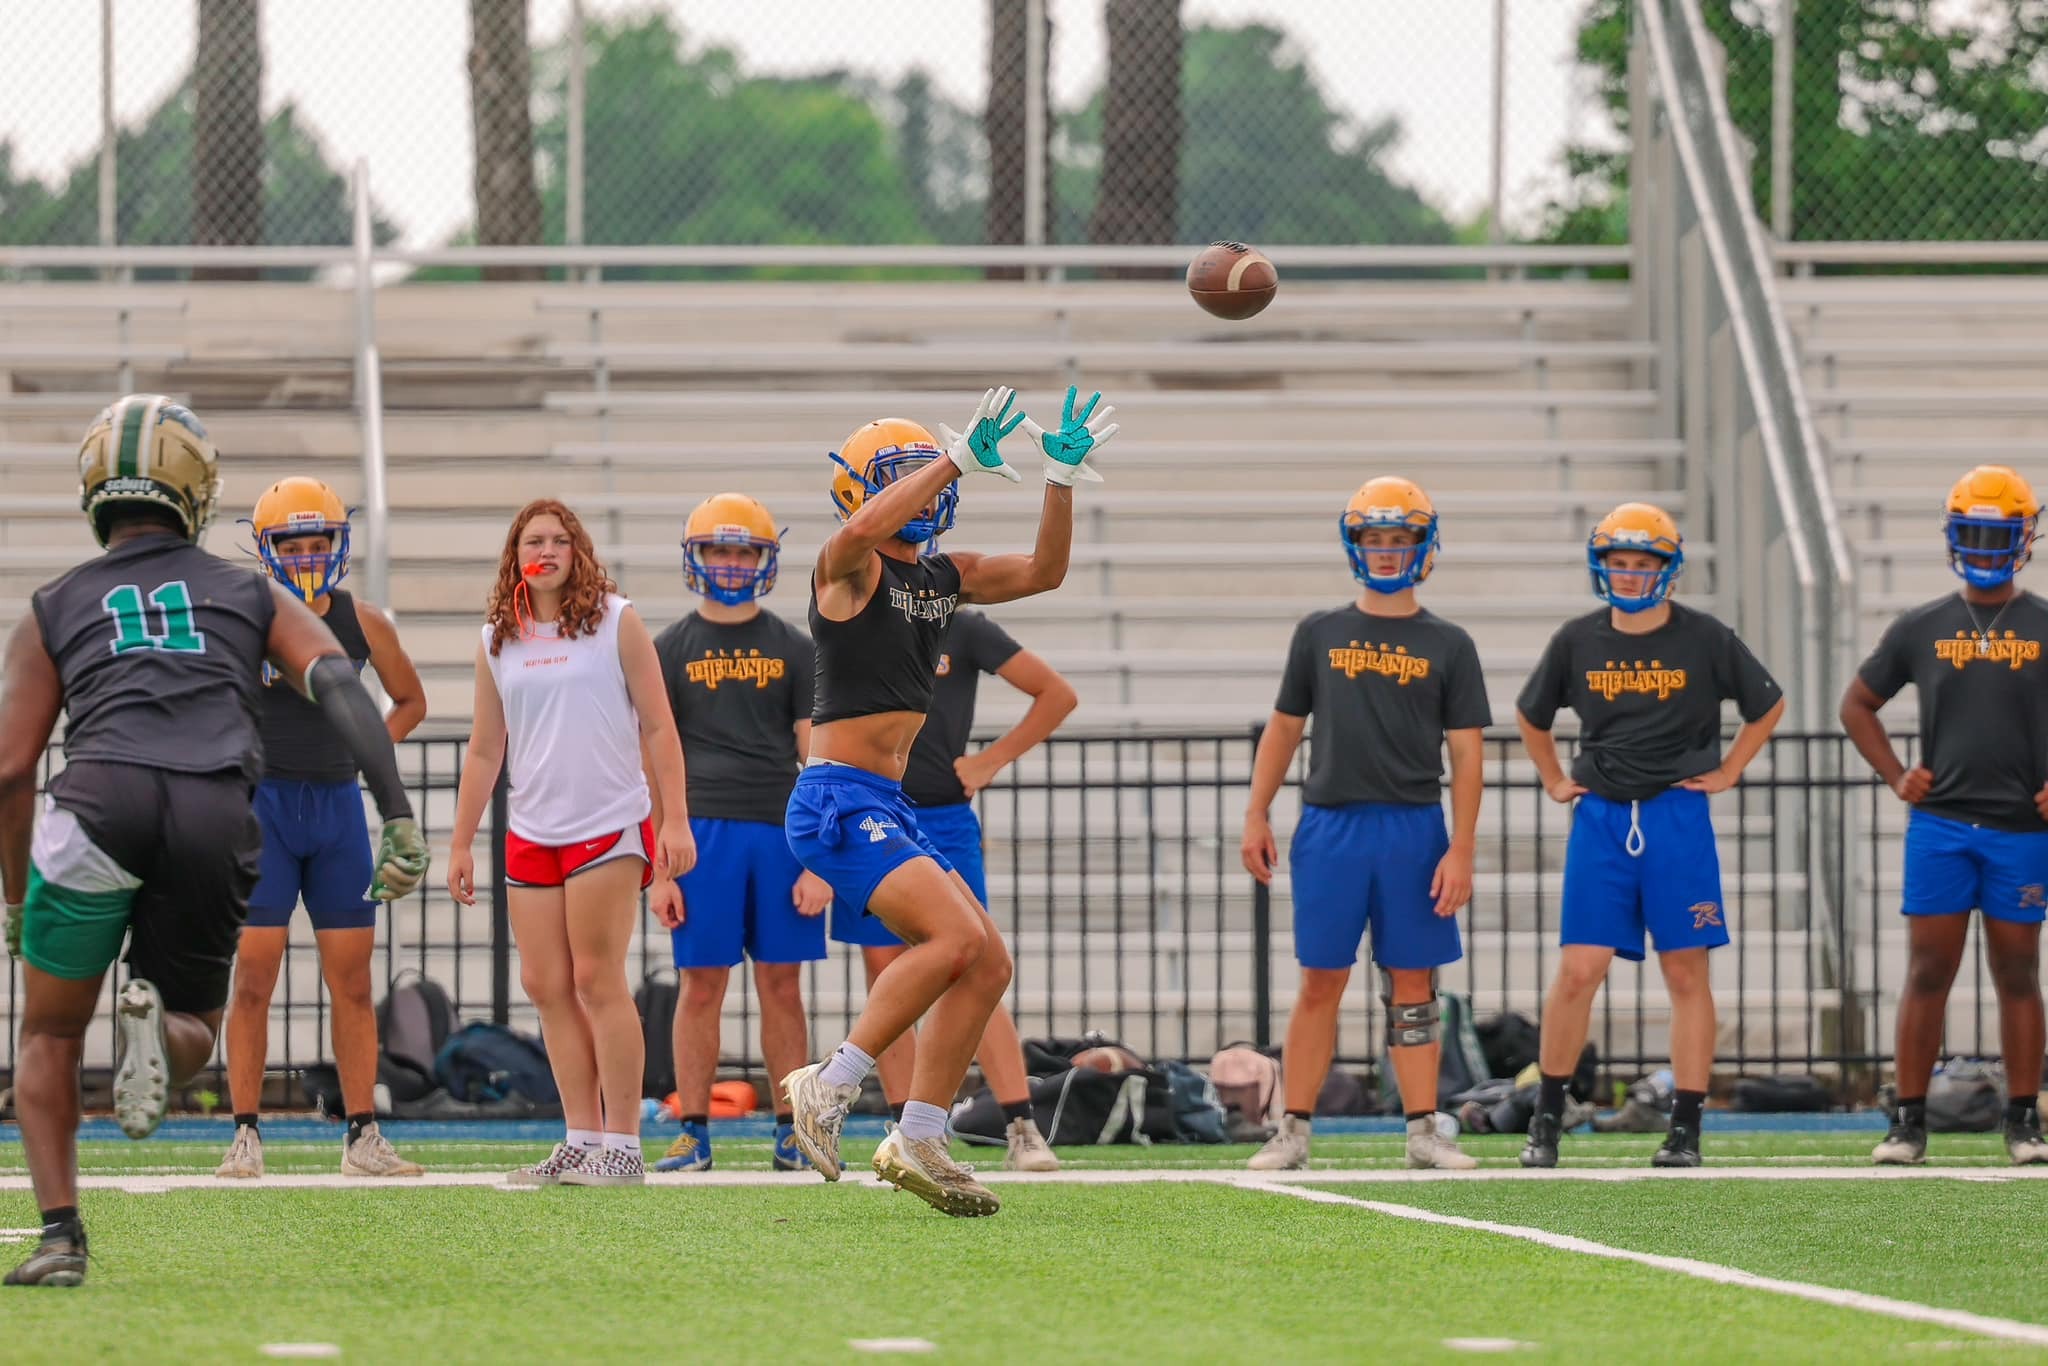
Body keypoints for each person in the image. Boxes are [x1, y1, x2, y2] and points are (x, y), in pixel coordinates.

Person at [0, 396, 427, 1286]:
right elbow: (342, 683)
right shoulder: (247, 589)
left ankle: (61, 1238)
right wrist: (394, 810)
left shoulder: (54, 604)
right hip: (215, 804)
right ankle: (158, 1031)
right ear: (196, 489)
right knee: (195, 1013)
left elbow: (9, 768)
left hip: (97, 801)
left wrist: (13, 893)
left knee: (47, 1031)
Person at [781, 384, 1116, 1216]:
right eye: (905, 474)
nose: (933, 485)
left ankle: (920, 1133)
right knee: (956, 935)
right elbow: (858, 531)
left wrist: (1059, 478)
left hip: (889, 805)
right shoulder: (846, 571)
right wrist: (952, 457)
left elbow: (1045, 571)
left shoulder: (945, 576)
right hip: (834, 798)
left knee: (989, 959)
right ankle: (832, 1082)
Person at [1514, 502, 1784, 1170]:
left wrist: (1728, 770)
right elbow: (1531, 714)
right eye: (1619, 563)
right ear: (1600, 565)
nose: (1630, 575)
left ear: (1668, 568)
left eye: (1643, 564)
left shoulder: (1705, 637)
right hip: (1603, 817)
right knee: (1580, 969)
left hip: (1675, 814)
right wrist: (1553, 779)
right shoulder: (1578, 639)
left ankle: (1685, 1126)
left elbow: (1768, 702)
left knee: (1686, 971)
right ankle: (1546, 1119)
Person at [1239, 477, 1489, 1173]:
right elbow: (1285, 729)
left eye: (1400, 540)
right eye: (1373, 540)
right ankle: (1292, 1131)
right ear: (1355, 547)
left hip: (1414, 828)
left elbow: (1467, 755)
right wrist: (1256, 812)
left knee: (1415, 984)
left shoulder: (1450, 642)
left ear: (1424, 547)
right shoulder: (1320, 631)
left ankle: (1422, 1133)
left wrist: (1462, 848)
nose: (1386, 553)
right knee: (1321, 979)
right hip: (1331, 827)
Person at [446, 499, 695, 1188]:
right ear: (516, 555)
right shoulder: (498, 638)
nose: (547, 550)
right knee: (546, 985)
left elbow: (658, 727)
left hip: (607, 823)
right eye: (534, 541)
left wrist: (674, 819)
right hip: (532, 828)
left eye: (559, 539)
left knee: (596, 979)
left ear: (578, 550)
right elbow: (484, 749)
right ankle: (580, 1138)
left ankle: (623, 1145)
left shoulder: (618, 620)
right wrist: (461, 842)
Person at [217, 477, 429, 1180]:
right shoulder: (243, 623)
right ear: (266, 549)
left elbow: (409, 700)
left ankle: (362, 1131)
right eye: (292, 543)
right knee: (253, 976)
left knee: (354, 983)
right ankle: (244, 1130)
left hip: (336, 808)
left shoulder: (365, 622)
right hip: (265, 810)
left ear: (338, 545)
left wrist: (367, 752)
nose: (307, 555)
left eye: (318, 542)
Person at [1840, 466, 2048, 1166]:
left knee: (2018, 971)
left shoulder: (2044, 623)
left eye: (1999, 533)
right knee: (1929, 969)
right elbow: (1857, 704)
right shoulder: (1923, 624)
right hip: (1943, 827)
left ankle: (2023, 1121)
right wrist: (1898, 775)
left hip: (2022, 830)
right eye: (1975, 533)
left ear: (2023, 538)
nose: (1986, 546)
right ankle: (1908, 1121)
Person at [829, 604, 1077, 1172]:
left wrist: (992, 760)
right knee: (885, 968)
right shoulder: (853, 618)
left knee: (975, 963)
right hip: (871, 812)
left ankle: (1021, 1125)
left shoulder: (962, 626)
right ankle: (906, 1129)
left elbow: (1056, 693)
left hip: (941, 816)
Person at [648, 492, 828, 1174]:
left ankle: (793, 1130)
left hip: (780, 832)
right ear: (696, 558)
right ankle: (694, 1131)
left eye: (743, 550)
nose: (730, 562)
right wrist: (661, 869)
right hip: (700, 833)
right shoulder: (668, 648)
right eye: (718, 550)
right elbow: (651, 762)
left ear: (766, 559)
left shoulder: (794, 646)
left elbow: (818, 762)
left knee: (782, 986)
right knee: (700, 985)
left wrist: (819, 860)